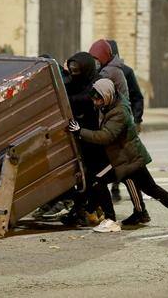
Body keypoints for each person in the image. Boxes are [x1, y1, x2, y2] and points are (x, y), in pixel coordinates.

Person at [68, 79, 168, 233]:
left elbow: (106, 136)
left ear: (108, 95)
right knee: (152, 190)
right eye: (95, 99)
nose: (96, 103)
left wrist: (79, 132)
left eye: (99, 99)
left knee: (99, 180)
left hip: (128, 160)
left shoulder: (119, 112)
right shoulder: (111, 104)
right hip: (127, 158)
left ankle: (111, 220)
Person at [89, 39, 149, 224]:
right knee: (125, 172)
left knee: (127, 172)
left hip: (119, 125)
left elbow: (136, 96)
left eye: (96, 58)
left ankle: (139, 212)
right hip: (119, 123)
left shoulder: (112, 72)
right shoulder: (109, 70)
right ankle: (139, 210)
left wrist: (136, 120)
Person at [60, 52, 111, 226]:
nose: (74, 73)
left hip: (94, 138)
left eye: (77, 69)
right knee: (86, 178)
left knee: (93, 178)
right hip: (80, 136)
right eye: (72, 69)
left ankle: (92, 212)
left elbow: (84, 99)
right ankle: (87, 210)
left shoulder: (97, 84)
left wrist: (67, 101)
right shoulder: (75, 82)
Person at [106, 39, 145, 203]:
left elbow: (137, 96)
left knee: (124, 158)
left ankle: (120, 188)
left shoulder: (126, 72)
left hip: (124, 122)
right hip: (110, 123)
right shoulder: (103, 71)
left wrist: (137, 119)